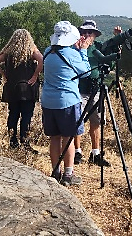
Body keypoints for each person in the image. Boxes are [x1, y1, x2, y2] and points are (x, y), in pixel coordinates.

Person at [40, 20, 91, 186]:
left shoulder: (48, 51)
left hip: (48, 101)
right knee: (68, 138)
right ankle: (68, 175)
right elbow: (85, 73)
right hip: (67, 101)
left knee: (54, 138)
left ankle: (55, 172)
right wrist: (83, 51)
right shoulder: (72, 54)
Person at [73, 20, 121, 167]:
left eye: (90, 32)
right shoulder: (75, 48)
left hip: (97, 89)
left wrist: (117, 41)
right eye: (84, 32)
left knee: (97, 121)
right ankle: (77, 151)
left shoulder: (99, 47)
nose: (87, 35)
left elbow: (111, 61)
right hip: (79, 89)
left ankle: (95, 153)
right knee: (77, 121)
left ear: (95, 35)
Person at [0, 29, 44, 153]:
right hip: (27, 88)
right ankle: (25, 142)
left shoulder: (8, 52)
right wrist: (35, 75)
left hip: (12, 88)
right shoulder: (31, 51)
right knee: (26, 115)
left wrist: (4, 74)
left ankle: (13, 141)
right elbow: (42, 59)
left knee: (13, 114)